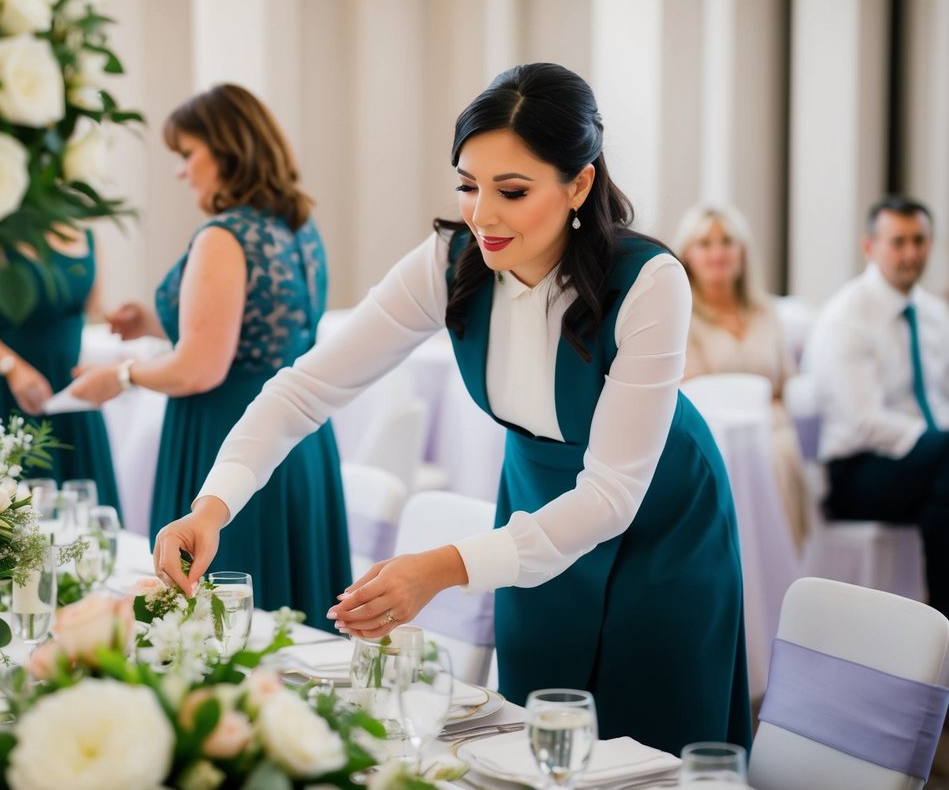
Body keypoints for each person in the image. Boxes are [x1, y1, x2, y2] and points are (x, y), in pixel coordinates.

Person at [148, 64, 751, 755]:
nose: (482, 214)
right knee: (538, 737)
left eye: (512, 190)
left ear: (578, 183)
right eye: (468, 185)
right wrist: (211, 506)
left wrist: (438, 568)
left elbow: (612, 494)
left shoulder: (650, 282)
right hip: (533, 513)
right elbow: (303, 388)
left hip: (660, 521)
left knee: (652, 740)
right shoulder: (449, 262)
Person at [70, 83, 350, 628]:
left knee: (220, 616)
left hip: (231, 434)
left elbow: (200, 368)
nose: (181, 171)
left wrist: (121, 376)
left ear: (227, 150)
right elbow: (259, 323)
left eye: (187, 154)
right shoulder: (295, 225)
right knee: (285, 619)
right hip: (300, 436)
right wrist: (153, 322)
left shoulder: (225, 235)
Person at [806, 196, 949, 615]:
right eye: (898, 242)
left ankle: (939, 625)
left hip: (930, 466)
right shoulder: (847, 316)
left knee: (943, 507)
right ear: (870, 247)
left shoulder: (935, 314)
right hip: (859, 474)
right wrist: (938, 443)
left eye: (920, 241)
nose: (911, 253)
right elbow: (865, 421)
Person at [0, 224, 120, 510]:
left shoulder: (86, 232)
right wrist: (12, 367)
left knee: (84, 506)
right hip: (4, 387)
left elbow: (87, 307)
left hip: (68, 388)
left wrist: (118, 319)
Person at [674, 205, 808, 547]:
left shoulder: (767, 313)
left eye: (727, 242)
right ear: (688, 255)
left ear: (742, 251)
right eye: (705, 244)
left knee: (783, 448)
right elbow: (690, 389)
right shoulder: (681, 315)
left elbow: (787, 385)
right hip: (718, 434)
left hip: (774, 428)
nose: (717, 254)